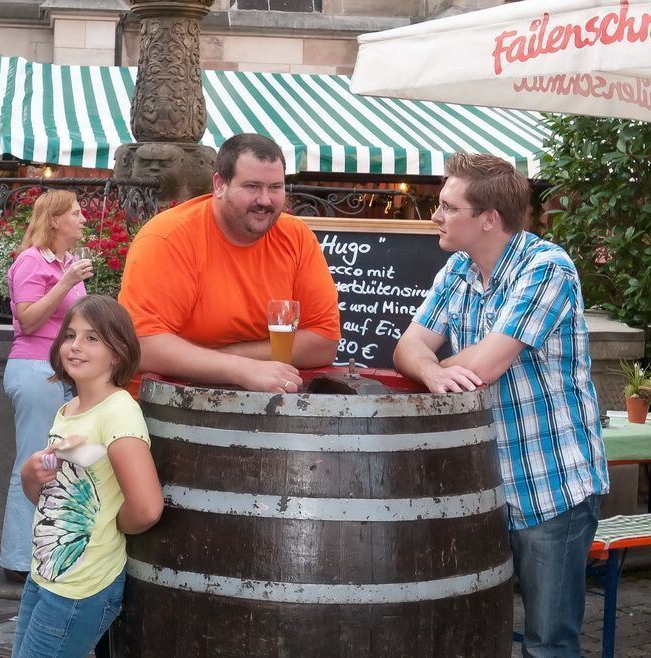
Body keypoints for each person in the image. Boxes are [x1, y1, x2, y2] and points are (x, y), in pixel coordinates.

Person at [393, 153, 609, 658]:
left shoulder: (547, 268)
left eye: (447, 206)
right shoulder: (458, 268)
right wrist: (429, 369)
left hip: (551, 485)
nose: (435, 216)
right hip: (484, 486)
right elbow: (406, 348)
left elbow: (488, 364)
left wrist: (434, 362)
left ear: (488, 219)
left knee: (548, 644)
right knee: (476, 634)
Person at [118, 133, 341, 394]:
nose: (265, 200)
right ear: (219, 185)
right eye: (252, 186)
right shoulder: (168, 237)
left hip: (265, 405)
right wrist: (238, 368)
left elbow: (324, 341)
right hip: (162, 405)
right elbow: (142, 346)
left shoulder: (296, 237)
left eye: (275, 187)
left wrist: (230, 358)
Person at [13, 295, 163, 658]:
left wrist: (110, 524)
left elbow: (146, 508)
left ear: (118, 352)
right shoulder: (69, 409)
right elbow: (51, 500)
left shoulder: (119, 412)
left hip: (82, 588)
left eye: (92, 338)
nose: (75, 346)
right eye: (70, 335)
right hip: (48, 575)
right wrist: (30, 475)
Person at [0, 190, 93, 582]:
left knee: (63, 465)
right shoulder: (31, 262)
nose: (84, 218)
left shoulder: (68, 261)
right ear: (54, 220)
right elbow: (29, 321)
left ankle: (50, 554)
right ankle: (19, 561)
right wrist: (66, 281)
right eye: (75, 212)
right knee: (36, 462)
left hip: (62, 373)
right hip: (36, 369)